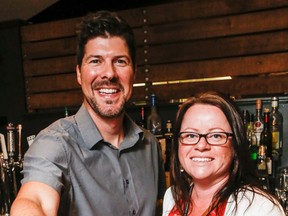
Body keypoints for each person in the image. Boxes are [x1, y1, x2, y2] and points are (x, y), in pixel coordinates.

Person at [11, 11, 166, 216]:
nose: (109, 73)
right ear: (78, 73)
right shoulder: (56, 143)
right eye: (95, 61)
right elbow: (33, 200)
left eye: (120, 61)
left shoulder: (150, 145)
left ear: (134, 73)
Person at [162, 91, 285, 216]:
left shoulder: (260, 208)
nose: (201, 145)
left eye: (216, 135)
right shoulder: (172, 196)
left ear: (235, 145)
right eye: (190, 135)